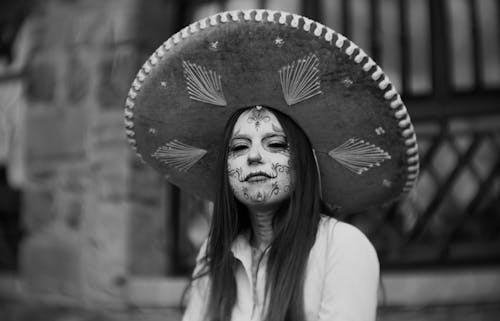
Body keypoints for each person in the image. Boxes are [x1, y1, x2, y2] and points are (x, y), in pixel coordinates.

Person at [124, 9, 419, 321]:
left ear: (303, 162)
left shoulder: (342, 248)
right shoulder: (215, 257)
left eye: (275, 144)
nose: (254, 156)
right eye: (239, 147)